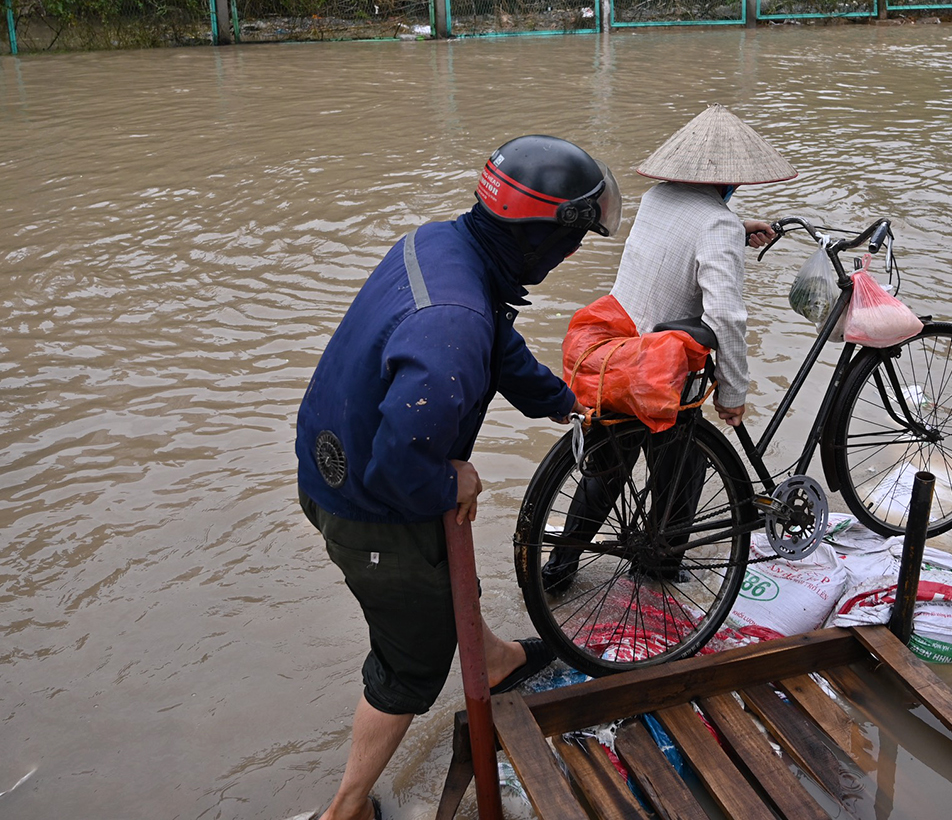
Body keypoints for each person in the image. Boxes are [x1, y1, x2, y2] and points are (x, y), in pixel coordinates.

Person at [295, 135, 620, 820]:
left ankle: (495, 658)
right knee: (408, 665)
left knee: (443, 576)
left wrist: (563, 399)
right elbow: (399, 465)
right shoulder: (454, 324)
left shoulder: (442, 247)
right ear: (540, 239)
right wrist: (450, 483)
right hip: (372, 508)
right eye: (573, 241)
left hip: (329, 460)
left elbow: (496, 343)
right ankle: (345, 809)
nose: (573, 255)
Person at [542, 104, 795, 592]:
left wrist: (735, 230)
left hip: (619, 348)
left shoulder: (658, 198)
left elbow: (674, 245)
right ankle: (657, 570)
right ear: (733, 180)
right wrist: (733, 391)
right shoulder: (716, 225)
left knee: (608, 465)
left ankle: (557, 570)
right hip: (660, 364)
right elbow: (727, 317)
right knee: (681, 466)